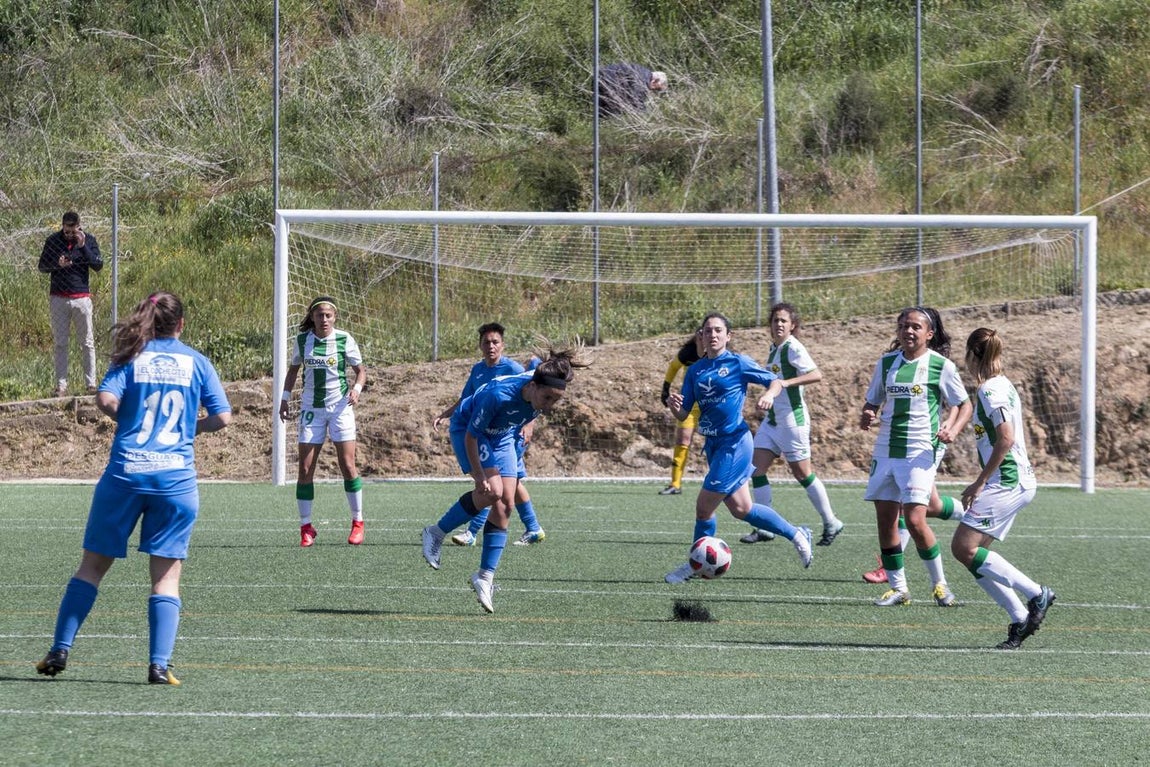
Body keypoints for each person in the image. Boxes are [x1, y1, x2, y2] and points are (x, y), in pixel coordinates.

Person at [35, 291, 232, 685]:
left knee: (91, 567)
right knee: (165, 578)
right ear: (181, 325)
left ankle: (60, 648)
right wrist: (191, 427)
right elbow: (222, 418)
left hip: (126, 474)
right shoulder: (197, 362)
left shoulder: (131, 357)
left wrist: (128, 419)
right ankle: (159, 665)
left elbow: (105, 398)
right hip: (174, 480)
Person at [421, 339, 590, 613]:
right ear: (532, 387)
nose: (550, 405)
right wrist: (479, 475)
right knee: (491, 492)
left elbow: (538, 369)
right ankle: (435, 533)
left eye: (556, 400)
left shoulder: (538, 385)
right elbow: (472, 436)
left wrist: (529, 423)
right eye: (547, 399)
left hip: (503, 434)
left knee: (507, 505)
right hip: (471, 431)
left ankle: (484, 577)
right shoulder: (498, 395)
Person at [663, 313, 813, 584]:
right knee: (742, 509)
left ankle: (694, 566)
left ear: (728, 336)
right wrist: (677, 409)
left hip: (734, 443)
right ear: (701, 336)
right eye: (707, 331)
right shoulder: (695, 371)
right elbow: (685, 411)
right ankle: (797, 534)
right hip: (713, 445)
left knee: (703, 508)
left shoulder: (737, 362)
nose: (713, 335)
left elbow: (775, 381)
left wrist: (768, 394)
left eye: (719, 330)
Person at [860, 306, 972, 607]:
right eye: (904, 326)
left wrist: (952, 427)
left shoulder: (940, 366)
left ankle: (940, 586)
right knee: (885, 521)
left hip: (920, 450)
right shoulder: (885, 364)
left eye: (916, 327)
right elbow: (872, 402)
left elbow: (964, 404)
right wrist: (868, 414)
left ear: (929, 333)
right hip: (885, 449)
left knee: (914, 519)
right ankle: (899, 589)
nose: (909, 331)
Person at [952, 327, 1054, 649]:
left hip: (1006, 481)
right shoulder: (1001, 384)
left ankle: (1036, 594)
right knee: (973, 555)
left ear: (972, 355)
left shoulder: (990, 390)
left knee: (962, 548)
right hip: (1016, 479)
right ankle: (1019, 617)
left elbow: (1006, 438)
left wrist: (980, 482)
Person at [434, 323, 545, 547]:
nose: (491, 346)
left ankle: (472, 531)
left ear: (503, 345)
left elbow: (534, 396)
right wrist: (446, 414)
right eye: (487, 342)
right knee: (508, 484)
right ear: (480, 345)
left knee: (492, 483)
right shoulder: (478, 370)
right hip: (486, 432)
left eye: (495, 342)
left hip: (508, 433)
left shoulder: (513, 368)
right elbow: (467, 398)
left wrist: (529, 424)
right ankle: (533, 527)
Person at [743, 303, 844, 546]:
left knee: (802, 474)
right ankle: (764, 528)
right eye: (775, 320)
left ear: (792, 326)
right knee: (756, 470)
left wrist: (786, 383)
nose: (778, 324)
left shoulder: (793, 347)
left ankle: (831, 521)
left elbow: (816, 374)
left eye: (783, 321)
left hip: (792, 422)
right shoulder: (774, 348)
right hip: (773, 421)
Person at [278, 296, 367, 547]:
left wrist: (357, 389)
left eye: (328, 315)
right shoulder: (303, 341)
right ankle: (306, 527)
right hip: (311, 410)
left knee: (347, 464)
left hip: (340, 408)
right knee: (305, 469)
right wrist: (285, 399)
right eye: (320, 315)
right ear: (313, 317)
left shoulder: (344, 339)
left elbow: (361, 371)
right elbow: (293, 371)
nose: (324, 319)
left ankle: (358, 522)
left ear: (334, 317)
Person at [38, 210, 104, 398]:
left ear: (78, 227)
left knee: (87, 342)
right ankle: (61, 386)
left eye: (72, 231)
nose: (69, 235)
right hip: (59, 297)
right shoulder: (53, 241)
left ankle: (91, 384)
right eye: (66, 231)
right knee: (60, 343)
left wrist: (83, 246)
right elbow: (42, 266)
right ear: (62, 226)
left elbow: (98, 265)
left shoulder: (88, 240)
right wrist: (57, 264)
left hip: (81, 297)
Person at [658, 332, 705, 496]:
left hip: (712, 405)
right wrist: (665, 389)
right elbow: (673, 367)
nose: (707, 336)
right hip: (690, 404)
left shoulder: (719, 353)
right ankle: (675, 483)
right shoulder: (689, 352)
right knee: (682, 440)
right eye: (705, 332)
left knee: (717, 441)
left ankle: (726, 482)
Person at [598, 63, 668, 118]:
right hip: (607, 81)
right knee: (613, 112)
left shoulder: (642, 72)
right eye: (656, 89)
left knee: (602, 112)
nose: (653, 90)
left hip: (601, 76)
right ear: (654, 81)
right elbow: (636, 100)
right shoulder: (642, 79)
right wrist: (646, 116)